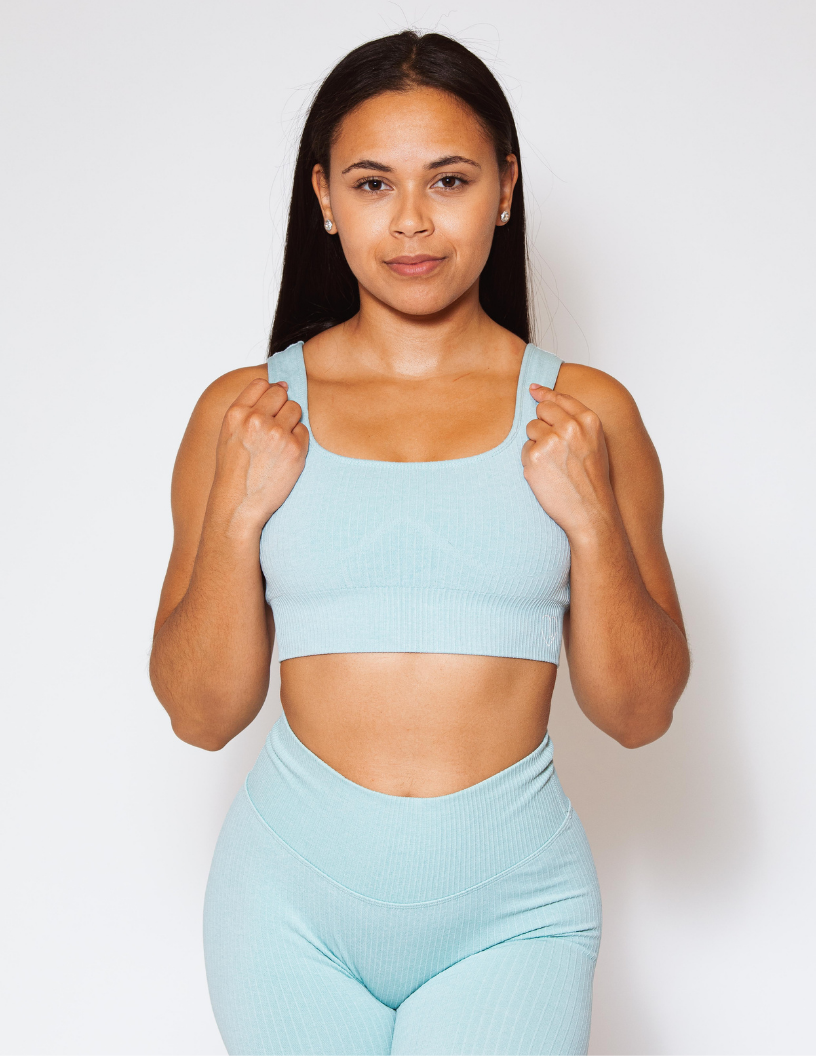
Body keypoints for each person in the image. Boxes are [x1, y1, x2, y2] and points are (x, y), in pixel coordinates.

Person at [149, 29, 690, 1056]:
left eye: (449, 179)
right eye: (371, 183)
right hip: (286, 914)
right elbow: (199, 715)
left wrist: (589, 524)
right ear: (324, 198)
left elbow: (640, 714)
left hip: (514, 915)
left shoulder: (586, 415)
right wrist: (237, 515)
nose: (410, 220)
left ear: (505, 188)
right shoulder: (245, 413)